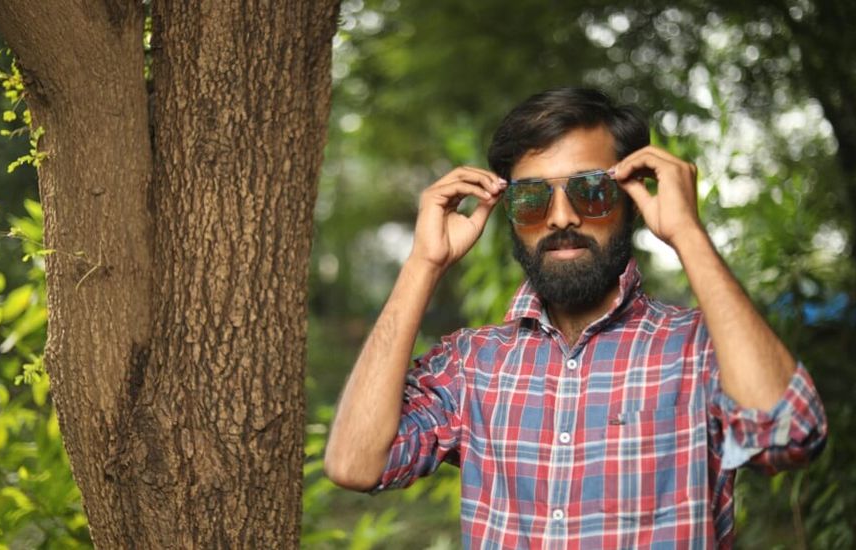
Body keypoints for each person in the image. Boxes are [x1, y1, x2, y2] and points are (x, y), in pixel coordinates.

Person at [324, 87, 827, 548]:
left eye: (590, 190)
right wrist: (423, 264)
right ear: (510, 212)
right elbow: (355, 463)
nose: (562, 217)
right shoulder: (471, 363)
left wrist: (687, 234)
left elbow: (790, 435)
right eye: (532, 197)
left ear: (632, 199)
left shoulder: (699, 348)